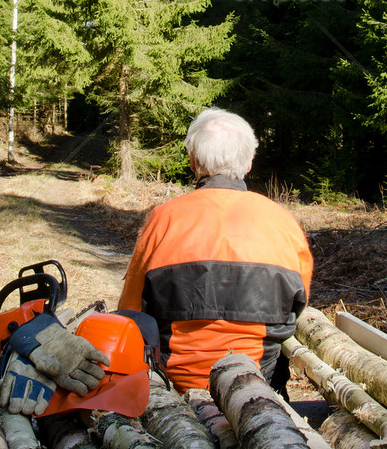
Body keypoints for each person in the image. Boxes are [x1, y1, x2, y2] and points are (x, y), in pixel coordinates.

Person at [118, 106, 313, 393]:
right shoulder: (283, 222)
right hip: (260, 387)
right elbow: (298, 307)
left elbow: (130, 312)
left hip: (178, 389)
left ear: (193, 162)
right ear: (249, 163)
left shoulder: (163, 219)